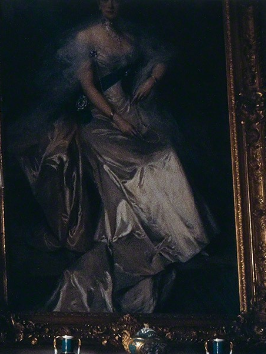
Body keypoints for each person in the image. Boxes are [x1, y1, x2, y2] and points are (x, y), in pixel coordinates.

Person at [12, 0, 213, 313]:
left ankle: (178, 236)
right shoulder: (86, 38)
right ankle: (136, 240)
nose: (110, 4)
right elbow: (89, 87)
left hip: (135, 110)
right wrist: (116, 117)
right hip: (101, 117)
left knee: (164, 155)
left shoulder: (131, 37)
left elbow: (162, 58)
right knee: (128, 168)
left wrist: (150, 81)